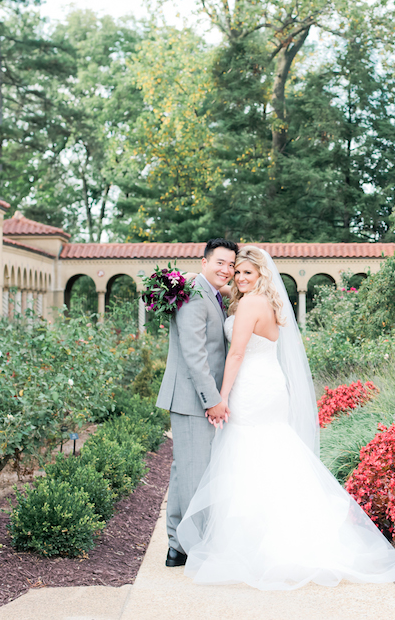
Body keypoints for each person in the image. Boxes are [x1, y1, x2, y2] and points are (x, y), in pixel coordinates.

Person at [176, 245, 395, 589]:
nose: (240, 277)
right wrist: (191, 278)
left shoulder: (249, 303)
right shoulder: (265, 300)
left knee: (249, 456)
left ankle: (257, 545)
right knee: (274, 454)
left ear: (261, 274)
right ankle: (282, 535)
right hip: (269, 384)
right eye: (238, 271)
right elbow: (217, 287)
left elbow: (235, 354)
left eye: (248, 272)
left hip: (251, 386)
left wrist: (220, 397)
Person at [155, 238, 239, 567]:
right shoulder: (193, 294)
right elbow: (194, 353)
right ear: (203, 262)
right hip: (193, 399)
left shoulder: (207, 292)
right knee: (194, 475)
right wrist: (212, 399)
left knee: (184, 473)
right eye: (220, 262)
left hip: (193, 398)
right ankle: (191, 548)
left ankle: (178, 546)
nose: (226, 269)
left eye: (231, 265)